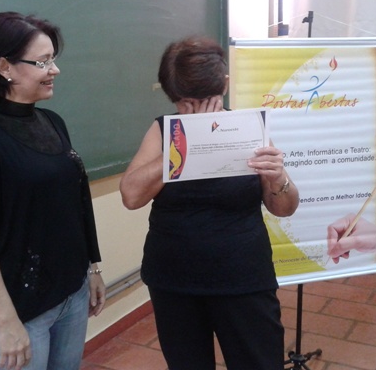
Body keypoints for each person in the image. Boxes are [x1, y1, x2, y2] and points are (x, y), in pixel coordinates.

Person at [119, 36, 299, 370]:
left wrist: (278, 177)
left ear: (224, 86)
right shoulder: (163, 131)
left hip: (243, 276)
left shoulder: (247, 129)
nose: (195, 111)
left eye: (205, 101)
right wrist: (184, 145)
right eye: (186, 103)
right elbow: (131, 196)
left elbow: (284, 207)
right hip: (174, 278)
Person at [0, 12, 106, 370]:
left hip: (71, 294)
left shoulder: (52, 122)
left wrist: (92, 269)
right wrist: (5, 322)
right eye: (43, 62)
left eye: (53, 59)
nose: (55, 70)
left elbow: (77, 202)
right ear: (5, 67)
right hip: (17, 312)